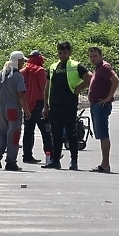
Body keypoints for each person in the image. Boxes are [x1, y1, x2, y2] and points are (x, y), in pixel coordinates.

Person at [42, 41, 92, 170]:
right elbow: (47, 86)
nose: (62, 55)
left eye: (65, 53)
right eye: (60, 52)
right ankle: (55, 160)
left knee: (71, 133)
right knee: (56, 133)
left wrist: (79, 88)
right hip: (54, 104)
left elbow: (89, 76)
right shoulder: (53, 67)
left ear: (70, 53)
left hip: (69, 104)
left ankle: (74, 161)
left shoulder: (75, 65)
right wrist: (45, 106)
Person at [0, 51, 32, 171]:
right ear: (18, 61)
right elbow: (21, 95)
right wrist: (27, 111)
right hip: (13, 109)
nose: (23, 63)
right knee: (14, 135)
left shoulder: (1, 75)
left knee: (2, 133)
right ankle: (11, 162)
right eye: (22, 61)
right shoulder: (18, 76)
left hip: (2, 109)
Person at [87, 46, 119, 173]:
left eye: (95, 56)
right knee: (101, 134)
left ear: (100, 56)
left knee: (103, 134)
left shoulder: (105, 67)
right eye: (91, 56)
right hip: (96, 105)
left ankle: (105, 164)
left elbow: (115, 80)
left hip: (101, 106)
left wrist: (108, 97)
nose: (93, 59)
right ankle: (104, 163)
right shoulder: (99, 69)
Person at [20, 50, 52, 164]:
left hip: (27, 105)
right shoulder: (40, 71)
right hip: (39, 104)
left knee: (28, 132)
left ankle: (27, 155)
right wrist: (47, 105)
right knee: (46, 131)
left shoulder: (22, 71)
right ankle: (50, 155)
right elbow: (44, 88)